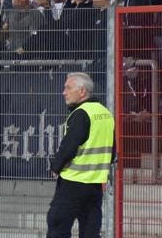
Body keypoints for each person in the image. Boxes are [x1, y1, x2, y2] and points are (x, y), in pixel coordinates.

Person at [47, 72, 114, 238]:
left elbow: (68, 147)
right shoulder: (105, 113)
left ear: (82, 91)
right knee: (90, 232)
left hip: (73, 183)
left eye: (68, 88)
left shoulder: (81, 114)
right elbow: (112, 153)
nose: (64, 92)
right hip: (95, 186)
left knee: (57, 227)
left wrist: (55, 167)